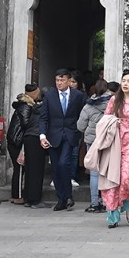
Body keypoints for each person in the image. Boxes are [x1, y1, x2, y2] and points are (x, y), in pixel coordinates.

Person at [96, 71, 129, 228]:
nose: (125, 84)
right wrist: (113, 122)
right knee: (112, 178)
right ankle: (112, 214)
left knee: (126, 177)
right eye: (124, 80)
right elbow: (105, 118)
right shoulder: (114, 100)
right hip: (114, 142)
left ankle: (128, 204)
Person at [39, 68, 85, 211]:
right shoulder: (49, 96)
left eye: (62, 80)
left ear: (69, 81)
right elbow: (43, 117)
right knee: (56, 168)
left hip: (70, 135)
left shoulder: (78, 95)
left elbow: (82, 114)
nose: (59, 83)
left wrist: (80, 131)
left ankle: (68, 195)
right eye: (57, 80)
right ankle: (62, 198)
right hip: (53, 136)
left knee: (64, 163)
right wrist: (42, 135)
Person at [77, 78, 114, 213]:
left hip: (92, 142)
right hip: (109, 141)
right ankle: (107, 202)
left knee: (94, 173)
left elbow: (80, 126)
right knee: (108, 173)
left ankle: (94, 203)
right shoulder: (113, 104)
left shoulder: (88, 106)